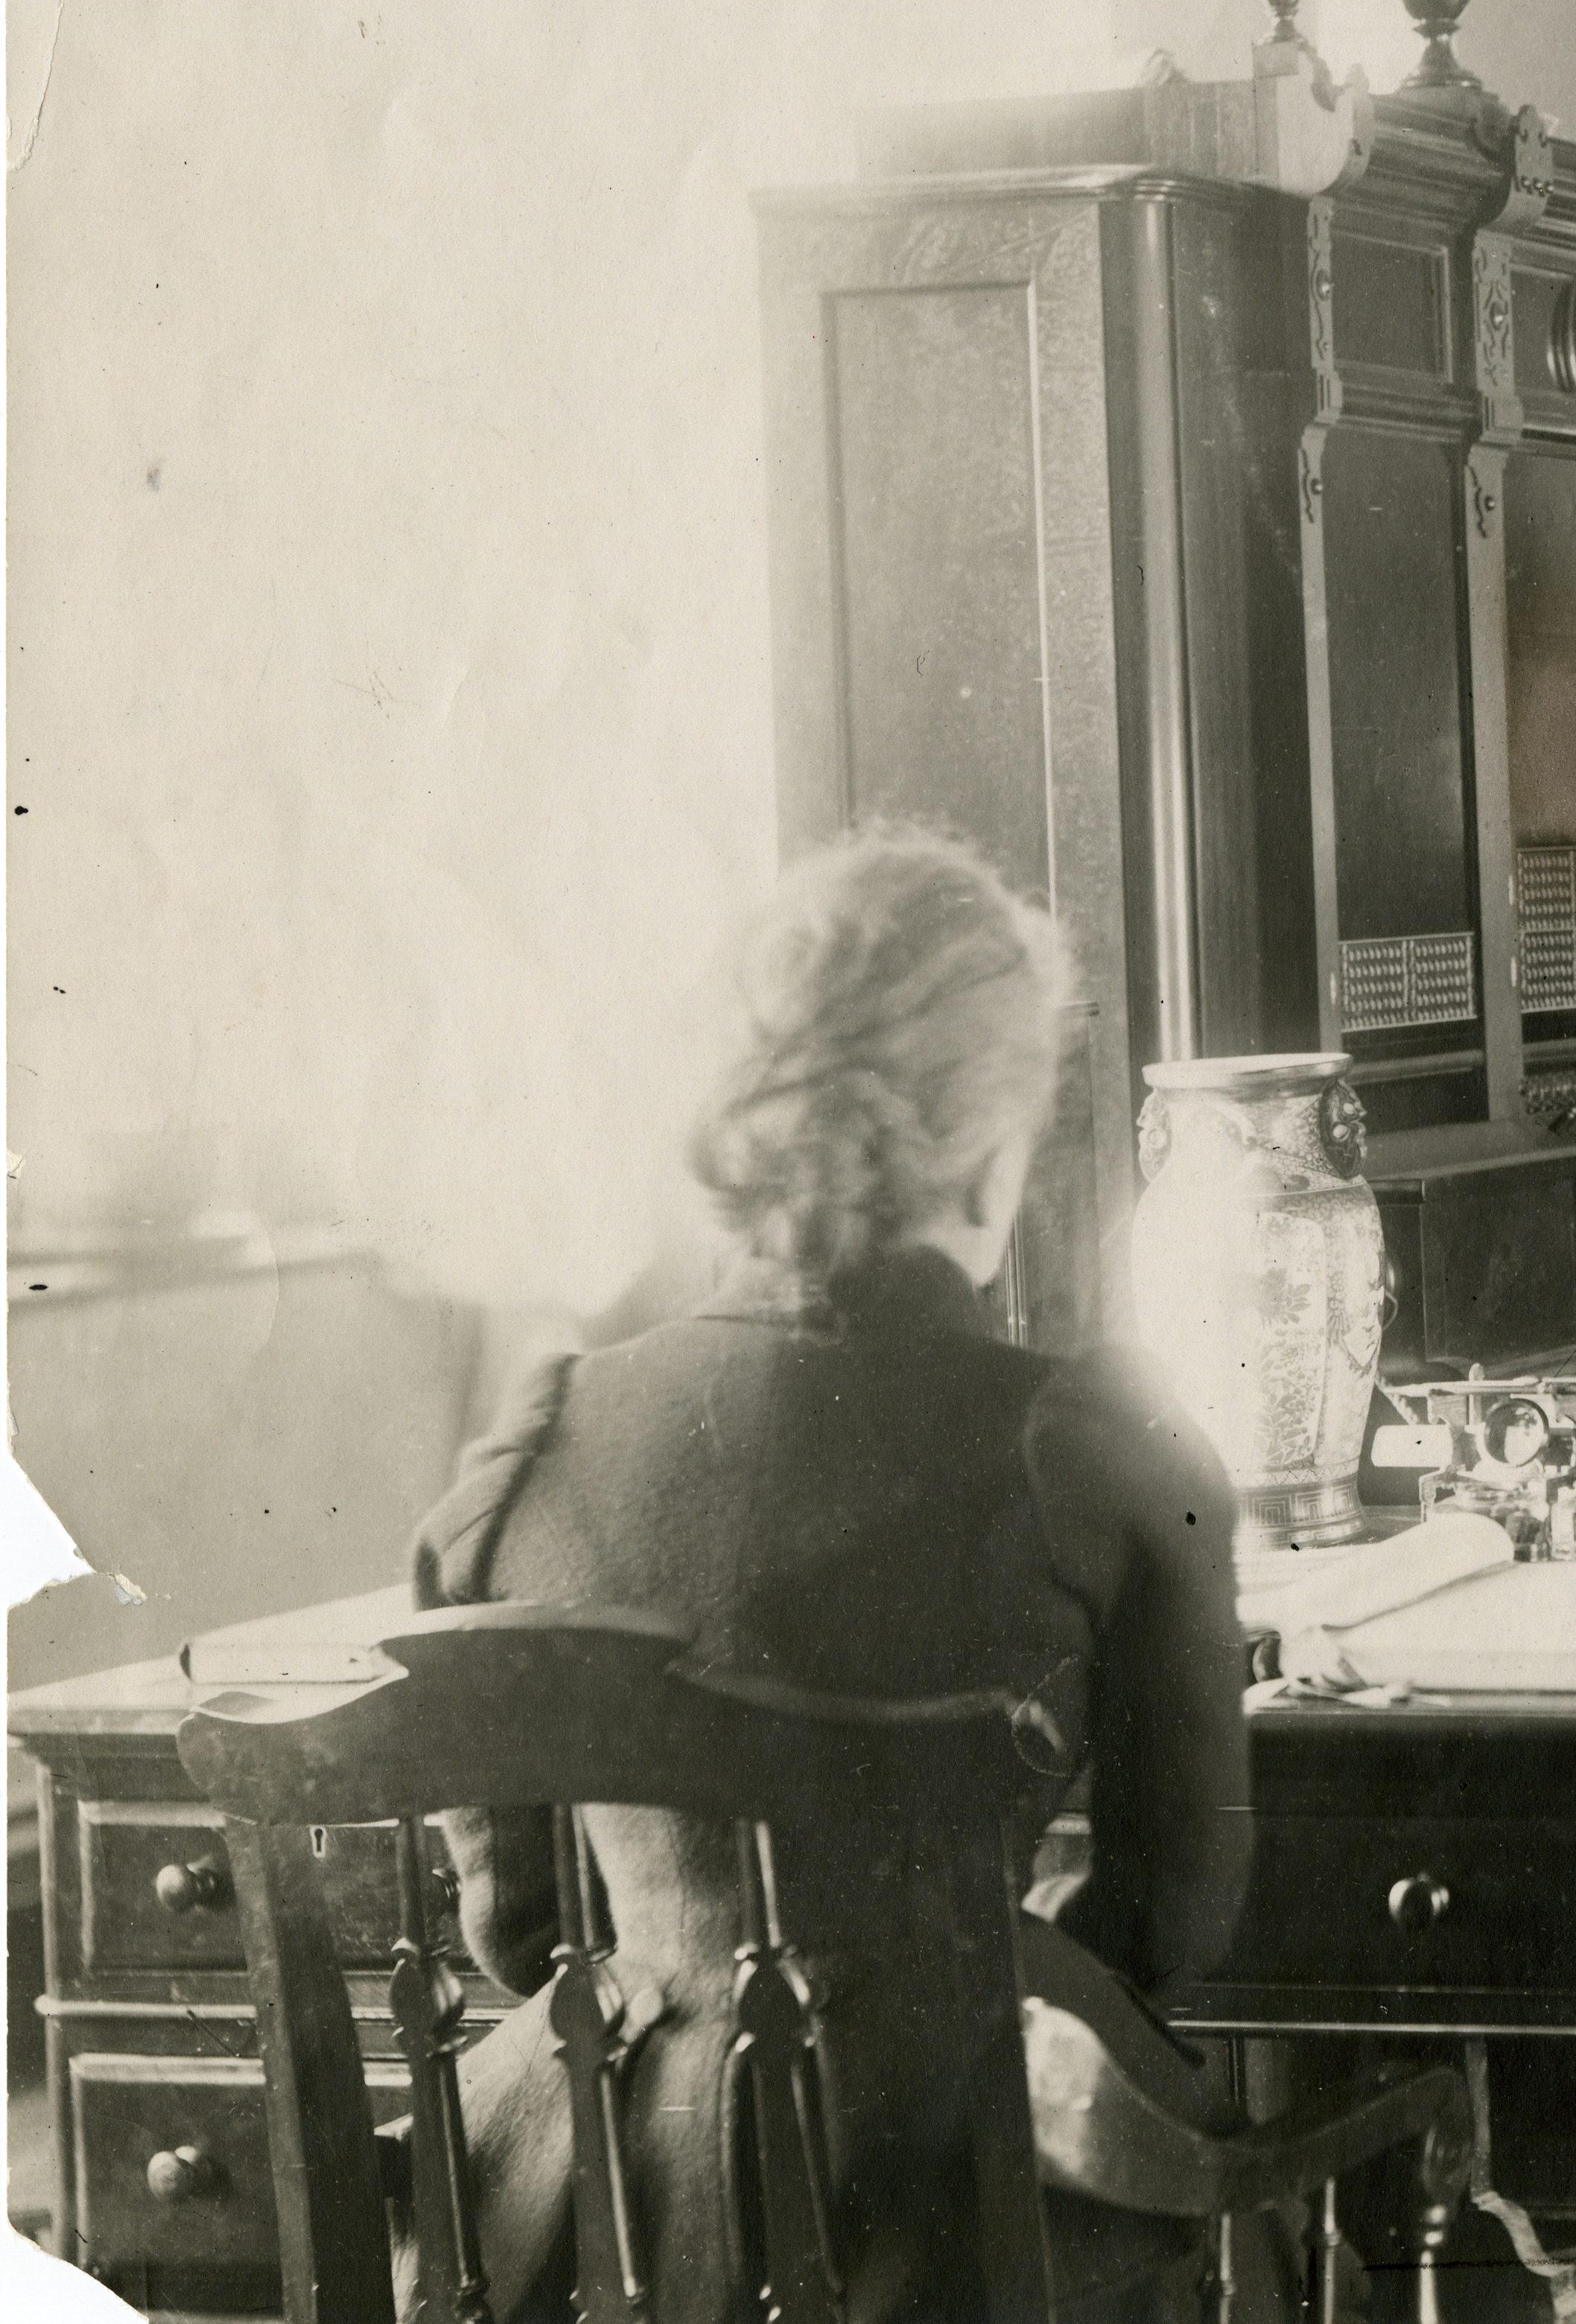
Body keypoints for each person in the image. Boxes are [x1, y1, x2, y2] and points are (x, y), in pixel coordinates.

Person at [407, 827, 1249, 2323]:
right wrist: (987, 2009)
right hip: (957, 2246)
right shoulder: (1103, 1445)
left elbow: (519, 1935)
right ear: (996, 1143)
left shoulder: (529, 1449)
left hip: (609, 2240)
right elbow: (1174, 1917)